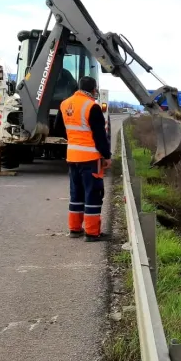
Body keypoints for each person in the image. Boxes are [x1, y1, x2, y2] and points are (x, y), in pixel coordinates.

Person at [58, 76, 112, 241]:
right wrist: (107, 156)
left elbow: (59, 129)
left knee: (76, 193)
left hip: (72, 156)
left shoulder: (65, 103)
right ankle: (92, 232)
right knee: (93, 194)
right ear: (94, 90)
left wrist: (75, 140)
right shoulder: (92, 106)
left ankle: (75, 229)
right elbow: (100, 136)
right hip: (90, 158)